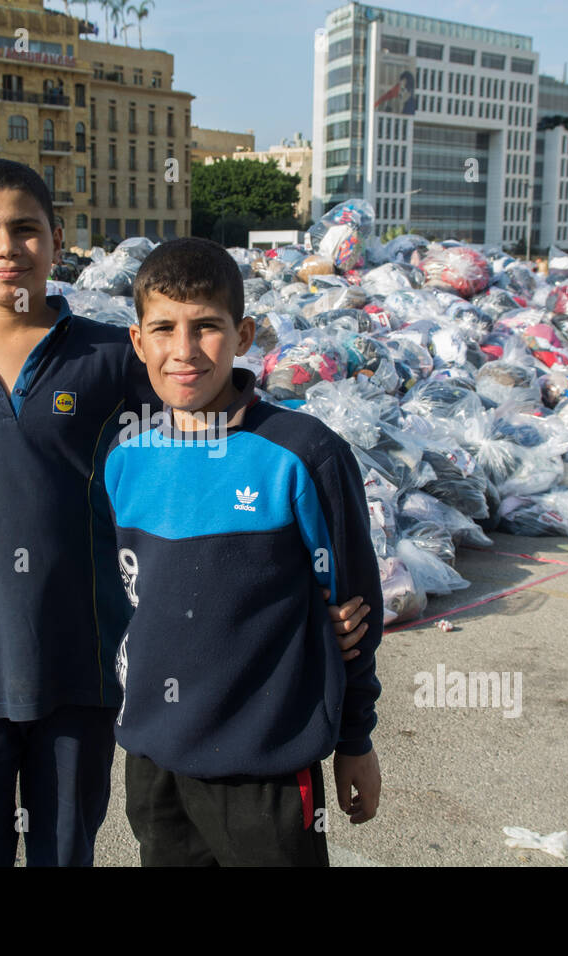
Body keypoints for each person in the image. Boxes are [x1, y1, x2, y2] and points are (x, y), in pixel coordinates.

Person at [0, 159, 372, 867]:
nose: (7, 248)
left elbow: (200, 418)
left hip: (82, 670)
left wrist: (309, 594)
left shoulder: (105, 355)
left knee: (66, 852)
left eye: (27, 229)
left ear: (57, 240)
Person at [106, 238, 383, 866]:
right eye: (164, 329)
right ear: (137, 341)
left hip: (268, 764)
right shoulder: (126, 462)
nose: (184, 350)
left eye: (206, 326)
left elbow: (355, 606)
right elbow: (126, 598)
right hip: (153, 759)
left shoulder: (303, 455)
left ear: (244, 334)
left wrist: (355, 740)